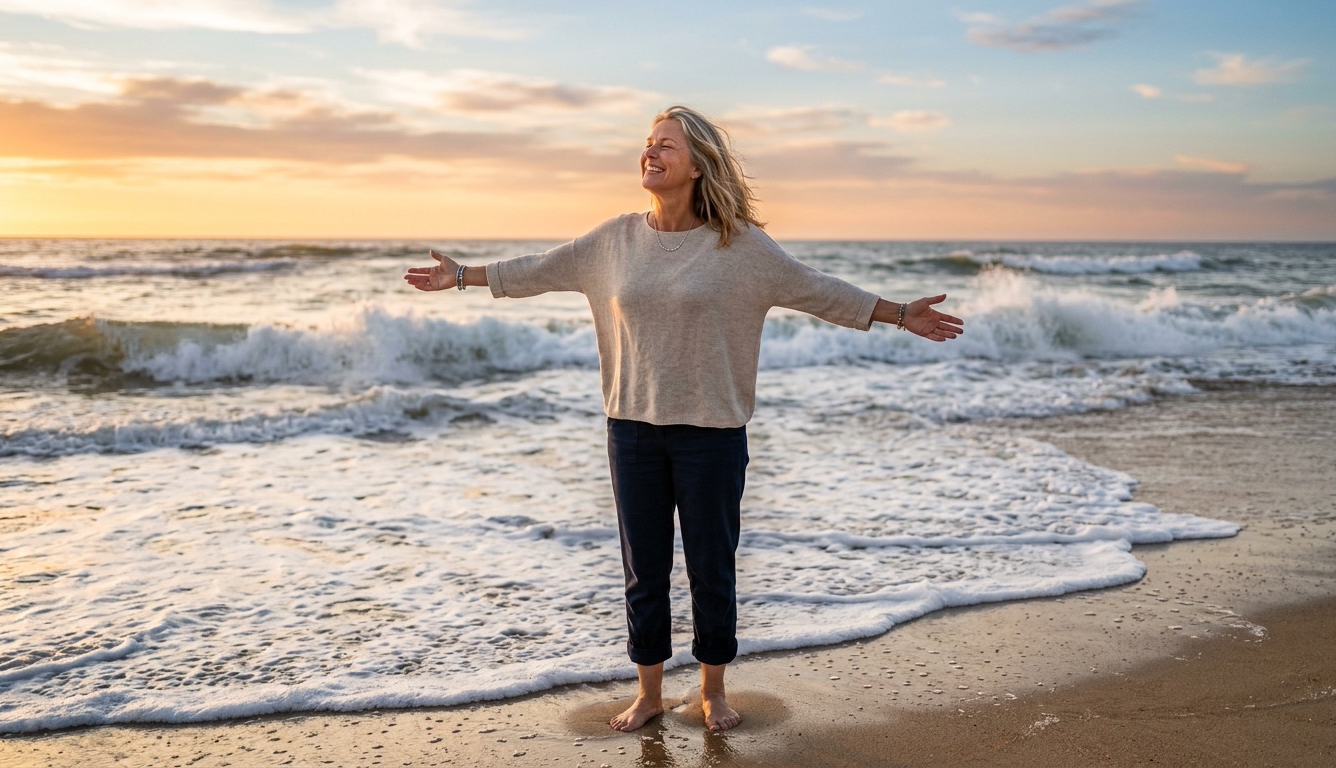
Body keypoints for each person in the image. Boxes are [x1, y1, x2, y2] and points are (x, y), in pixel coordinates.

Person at [404, 105, 964, 733]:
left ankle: (712, 690)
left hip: (713, 436)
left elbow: (820, 289)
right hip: (632, 430)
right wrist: (461, 277)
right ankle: (647, 693)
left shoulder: (741, 247)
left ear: (697, 166)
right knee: (644, 571)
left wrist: (896, 314)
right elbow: (536, 269)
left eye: (666, 146)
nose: (651, 153)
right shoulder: (613, 240)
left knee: (711, 568)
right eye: (648, 143)